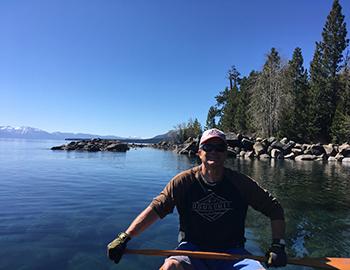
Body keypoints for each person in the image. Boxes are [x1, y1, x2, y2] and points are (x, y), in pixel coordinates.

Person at [107, 128, 287, 270]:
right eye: (208, 147)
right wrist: (124, 237)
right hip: (190, 250)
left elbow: (274, 208)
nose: (213, 152)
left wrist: (278, 245)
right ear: (199, 152)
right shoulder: (182, 182)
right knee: (170, 266)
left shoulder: (240, 183)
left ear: (226, 153)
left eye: (219, 147)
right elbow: (155, 210)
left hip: (232, 253)